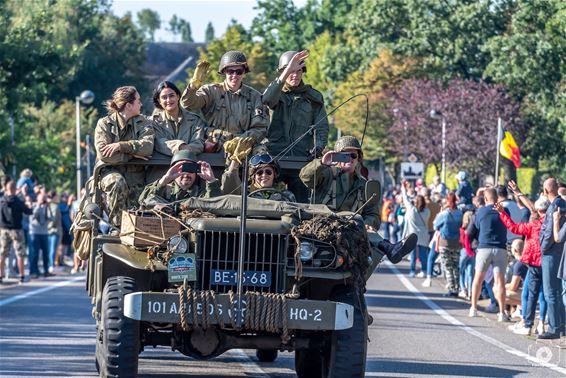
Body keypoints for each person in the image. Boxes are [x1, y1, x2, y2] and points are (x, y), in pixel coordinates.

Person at [300, 135, 417, 264]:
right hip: (320, 227)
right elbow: (305, 177)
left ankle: (391, 249)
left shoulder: (363, 184)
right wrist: (322, 163)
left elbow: (373, 214)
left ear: (358, 159)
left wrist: (368, 223)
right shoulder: (325, 174)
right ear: (336, 156)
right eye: (344, 155)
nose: (350, 159)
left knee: (364, 234)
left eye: (354, 156)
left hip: (350, 231)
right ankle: (388, 247)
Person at [262, 50, 329, 202]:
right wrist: (285, 73)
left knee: (301, 205)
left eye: (299, 71)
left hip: (301, 160)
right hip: (274, 159)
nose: (295, 75)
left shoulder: (313, 97)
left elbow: (322, 127)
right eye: (291, 72)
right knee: (268, 201)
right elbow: (266, 100)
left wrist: (318, 147)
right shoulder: (275, 93)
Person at [180, 51, 269, 153]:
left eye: (239, 71)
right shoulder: (210, 91)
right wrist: (193, 86)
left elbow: (260, 128)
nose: (234, 75)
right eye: (230, 71)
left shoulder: (255, 97)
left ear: (244, 72)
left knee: (262, 157)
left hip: (242, 148)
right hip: (212, 146)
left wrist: (241, 141)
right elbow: (187, 104)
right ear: (224, 72)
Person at [94, 86, 154, 226]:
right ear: (128, 105)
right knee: (117, 182)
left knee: (144, 203)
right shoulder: (104, 124)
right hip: (110, 173)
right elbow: (103, 153)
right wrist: (131, 155)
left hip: (136, 176)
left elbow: (147, 147)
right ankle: (117, 227)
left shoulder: (143, 123)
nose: (141, 104)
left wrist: (121, 146)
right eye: (138, 101)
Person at [496, 194, 549, 335]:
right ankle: (542, 323)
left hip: (534, 262)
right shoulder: (551, 224)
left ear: (538, 210)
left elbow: (513, 228)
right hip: (549, 262)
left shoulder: (533, 226)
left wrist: (502, 213)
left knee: (531, 294)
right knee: (545, 295)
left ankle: (528, 324)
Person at [467, 188, 510, 322]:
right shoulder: (504, 210)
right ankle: (502, 312)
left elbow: (475, 228)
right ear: (497, 198)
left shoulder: (481, 211)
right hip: (500, 248)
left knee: (478, 280)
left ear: (485, 199)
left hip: (484, 247)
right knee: (500, 281)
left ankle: (473, 308)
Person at [537, 178, 566, 339]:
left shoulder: (554, 205)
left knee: (550, 291)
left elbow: (549, 232)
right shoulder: (560, 203)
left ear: (546, 191)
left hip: (551, 252)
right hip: (557, 251)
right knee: (556, 291)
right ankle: (560, 325)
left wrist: (542, 248)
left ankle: (554, 327)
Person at [139, 150, 220, 209]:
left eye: (191, 169)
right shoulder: (163, 189)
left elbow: (214, 206)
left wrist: (211, 181)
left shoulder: (203, 191)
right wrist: (163, 181)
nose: (186, 174)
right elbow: (144, 201)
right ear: (172, 170)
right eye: (182, 169)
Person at [151, 81, 206, 156]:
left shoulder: (195, 120)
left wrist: (185, 151)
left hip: (188, 164)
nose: (168, 100)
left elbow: (198, 143)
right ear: (159, 101)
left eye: (172, 96)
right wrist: (180, 146)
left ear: (178, 96)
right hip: (162, 166)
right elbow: (158, 142)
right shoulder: (154, 122)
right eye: (164, 97)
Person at [221, 153, 296, 202]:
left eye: (268, 172)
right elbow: (229, 194)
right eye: (259, 173)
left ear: (274, 175)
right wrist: (235, 161)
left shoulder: (286, 195)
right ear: (253, 177)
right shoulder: (243, 193)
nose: (264, 175)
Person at [0, 178, 32, 283]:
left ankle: (1, 275)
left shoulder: (2, 201)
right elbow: (28, 211)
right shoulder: (18, 201)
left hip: (4, 229)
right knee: (20, 253)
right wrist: (28, 202)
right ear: (15, 189)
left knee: (3, 253)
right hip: (17, 229)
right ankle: (22, 276)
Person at [433, 192, 463, 297]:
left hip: (444, 242)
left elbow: (435, 226)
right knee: (456, 266)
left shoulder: (444, 214)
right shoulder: (460, 213)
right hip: (456, 242)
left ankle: (451, 288)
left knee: (448, 266)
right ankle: (457, 288)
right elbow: (461, 225)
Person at [401, 180, 430, 278]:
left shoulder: (411, 209)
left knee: (413, 254)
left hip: (413, 234)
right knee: (423, 254)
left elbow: (405, 198)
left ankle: (412, 271)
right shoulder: (427, 211)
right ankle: (424, 270)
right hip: (423, 233)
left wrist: (403, 187)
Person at [29, 192, 53, 278]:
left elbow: (51, 218)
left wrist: (48, 207)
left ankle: (46, 270)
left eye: (44, 198)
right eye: (41, 198)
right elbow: (32, 217)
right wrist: (38, 206)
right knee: (35, 253)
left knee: (46, 253)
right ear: (37, 198)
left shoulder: (46, 207)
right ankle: (34, 271)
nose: (43, 200)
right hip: (35, 232)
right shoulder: (33, 205)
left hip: (44, 233)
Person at [46, 190, 62, 274]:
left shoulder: (51, 205)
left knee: (51, 249)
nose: (58, 197)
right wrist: (49, 227)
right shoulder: (54, 206)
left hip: (50, 231)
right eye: (56, 196)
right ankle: (51, 265)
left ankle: (50, 265)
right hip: (54, 231)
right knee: (52, 250)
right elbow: (53, 220)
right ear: (54, 197)